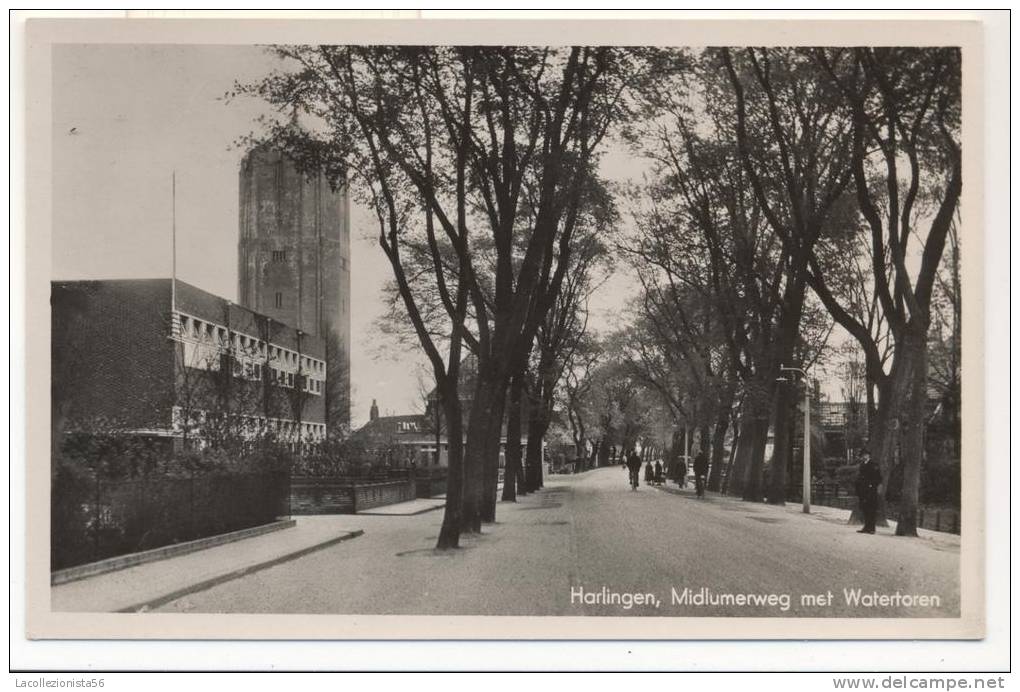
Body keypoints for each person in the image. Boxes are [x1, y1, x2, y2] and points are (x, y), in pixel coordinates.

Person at [855, 452, 883, 534]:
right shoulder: (862, 464)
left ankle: (872, 528)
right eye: (863, 455)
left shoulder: (873, 464)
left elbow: (878, 477)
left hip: (871, 490)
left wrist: (872, 485)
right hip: (863, 489)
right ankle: (866, 527)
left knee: (872, 509)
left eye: (866, 455)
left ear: (869, 455)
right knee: (865, 508)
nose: (864, 456)